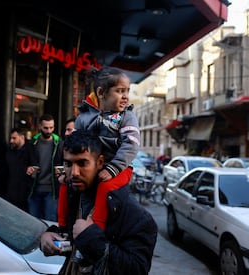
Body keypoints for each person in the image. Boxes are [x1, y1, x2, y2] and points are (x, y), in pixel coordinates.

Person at [40, 130, 157, 274]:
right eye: (68, 164)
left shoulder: (136, 215)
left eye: (82, 163)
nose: (74, 172)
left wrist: (90, 238)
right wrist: (49, 237)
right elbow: (75, 246)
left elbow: (137, 269)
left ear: (100, 162)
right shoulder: (74, 196)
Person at [58, 66, 140, 231]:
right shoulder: (83, 117)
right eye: (119, 91)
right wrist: (65, 170)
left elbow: (131, 144)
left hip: (120, 167)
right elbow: (73, 145)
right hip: (94, 167)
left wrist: (112, 169)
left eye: (127, 91)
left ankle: (96, 226)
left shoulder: (127, 117)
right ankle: (62, 225)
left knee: (105, 186)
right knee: (66, 184)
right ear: (102, 93)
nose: (126, 97)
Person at [27, 114, 63, 222]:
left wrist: (62, 171)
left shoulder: (59, 143)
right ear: (39, 126)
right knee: (33, 222)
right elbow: (24, 161)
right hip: (34, 188)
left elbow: (66, 163)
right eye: (46, 128)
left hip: (52, 190)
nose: (48, 131)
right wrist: (27, 168)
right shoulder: (33, 143)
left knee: (50, 222)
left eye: (51, 127)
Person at [3, 128, 34, 211]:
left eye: (14, 138)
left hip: (25, 193)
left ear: (22, 137)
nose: (11, 141)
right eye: (11, 138)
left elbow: (35, 168)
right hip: (11, 192)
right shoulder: (10, 151)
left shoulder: (31, 150)